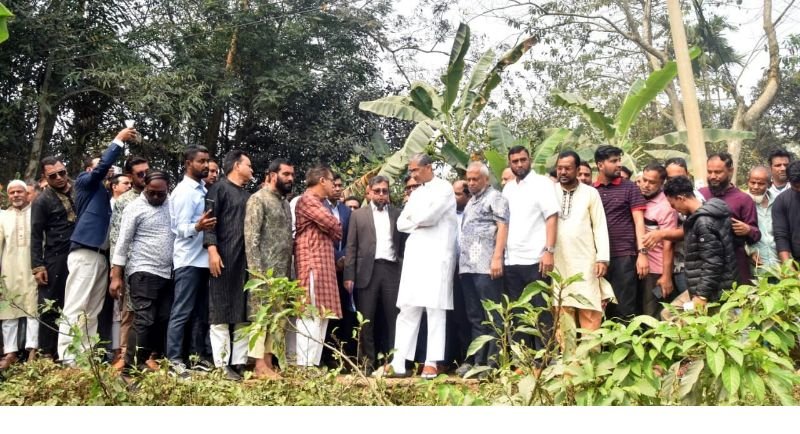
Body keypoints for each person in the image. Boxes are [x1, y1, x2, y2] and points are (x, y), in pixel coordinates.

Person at [377, 154, 457, 379]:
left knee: (434, 308)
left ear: (428, 167)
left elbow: (431, 218)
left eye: (414, 170)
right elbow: (402, 223)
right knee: (408, 308)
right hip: (415, 256)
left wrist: (417, 220)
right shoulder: (417, 193)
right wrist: (417, 221)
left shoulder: (444, 188)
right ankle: (399, 361)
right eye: (410, 171)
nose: (411, 175)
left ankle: (431, 361)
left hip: (438, 253)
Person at [57, 127, 134, 364]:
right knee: (76, 304)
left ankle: (85, 356)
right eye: (100, 165)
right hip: (85, 252)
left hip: (102, 256)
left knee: (92, 309)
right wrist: (118, 142)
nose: (107, 168)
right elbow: (101, 169)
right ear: (89, 170)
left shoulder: (105, 196)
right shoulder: (84, 184)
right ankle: (67, 357)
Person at [109, 171, 174, 373]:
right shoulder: (134, 208)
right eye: (151, 192)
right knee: (144, 318)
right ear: (145, 188)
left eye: (160, 194)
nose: (155, 197)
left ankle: (143, 359)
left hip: (166, 272)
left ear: (167, 190)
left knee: (162, 318)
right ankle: (129, 366)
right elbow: (122, 242)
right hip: (142, 270)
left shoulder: (172, 204)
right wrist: (116, 275)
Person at [343, 175, 404, 374]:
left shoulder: (398, 214)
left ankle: (394, 362)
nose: (380, 194)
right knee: (365, 320)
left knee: (394, 319)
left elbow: (403, 245)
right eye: (377, 191)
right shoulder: (358, 215)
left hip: (392, 271)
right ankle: (366, 364)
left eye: (384, 191)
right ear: (368, 192)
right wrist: (348, 275)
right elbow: (351, 247)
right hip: (365, 272)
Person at [503, 145, 559, 352]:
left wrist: (549, 251)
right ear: (510, 163)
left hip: (536, 259)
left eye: (523, 160)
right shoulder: (508, 188)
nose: (519, 164)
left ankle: (545, 358)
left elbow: (551, 217)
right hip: (512, 260)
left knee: (540, 310)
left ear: (530, 159)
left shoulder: (542, 183)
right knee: (519, 311)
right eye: (515, 161)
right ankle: (524, 358)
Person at [167, 145, 217, 378]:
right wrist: (198, 226)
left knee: (200, 313)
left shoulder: (203, 189)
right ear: (188, 163)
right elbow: (177, 228)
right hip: (188, 260)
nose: (206, 165)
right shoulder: (184, 191)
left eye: (207, 161)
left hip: (203, 260)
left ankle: (196, 358)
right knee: (182, 312)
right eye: (201, 161)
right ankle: (174, 360)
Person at [204, 150, 253, 381]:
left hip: (245, 261)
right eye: (249, 165)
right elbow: (209, 222)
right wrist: (212, 250)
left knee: (243, 311)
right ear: (236, 165)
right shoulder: (219, 188)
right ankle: (221, 364)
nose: (251, 170)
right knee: (220, 310)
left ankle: (240, 362)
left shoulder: (248, 195)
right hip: (222, 257)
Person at [244, 159, 295, 379]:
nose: (290, 178)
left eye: (292, 174)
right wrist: (257, 274)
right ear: (272, 175)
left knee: (277, 319)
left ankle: (268, 361)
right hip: (262, 273)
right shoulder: (258, 199)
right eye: (285, 174)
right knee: (260, 317)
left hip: (282, 273)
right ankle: (258, 365)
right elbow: (251, 239)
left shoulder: (284, 203)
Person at [457, 162, 508, 377]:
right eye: (468, 179)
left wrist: (497, 257)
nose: (471, 183)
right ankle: (477, 361)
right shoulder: (471, 202)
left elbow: (503, 226)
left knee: (493, 315)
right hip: (468, 267)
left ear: (486, 179)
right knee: (475, 316)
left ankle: (492, 363)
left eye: (475, 179)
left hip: (486, 266)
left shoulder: (495, 197)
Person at [552, 151, 612, 334]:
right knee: (563, 309)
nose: (563, 172)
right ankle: (567, 359)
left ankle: (590, 358)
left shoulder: (590, 193)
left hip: (586, 260)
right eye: (559, 168)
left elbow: (600, 227)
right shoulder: (549, 192)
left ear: (577, 170)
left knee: (590, 309)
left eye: (567, 168)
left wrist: (602, 258)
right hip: (558, 260)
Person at [662, 176, 737, 314]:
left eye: (673, 204)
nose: (675, 209)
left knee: (672, 315)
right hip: (712, 285)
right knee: (668, 313)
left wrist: (702, 296)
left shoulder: (703, 222)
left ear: (681, 198)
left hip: (714, 291)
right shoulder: (710, 213)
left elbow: (712, 263)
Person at [293, 165, 343, 367]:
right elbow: (334, 226)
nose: (334, 185)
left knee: (323, 317)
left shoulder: (322, 204)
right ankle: (304, 365)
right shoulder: (307, 200)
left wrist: (330, 226)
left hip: (324, 267)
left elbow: (337, 230)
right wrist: (330, 226)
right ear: (322, 180)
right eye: (332, 181)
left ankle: (312, 365)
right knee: (309, 314)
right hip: (311, 265)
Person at [593, 145, 647, 320]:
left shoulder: (630, 188)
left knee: (625, 308)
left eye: (619, 160)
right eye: (613, 161)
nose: (619, 164)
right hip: (598, 258)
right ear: (600, 165)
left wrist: (642, 253)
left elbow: (639, 222)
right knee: (601, 308)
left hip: (624, 256)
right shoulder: (591, 191)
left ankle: (626, 346)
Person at [30, 157, 75, 359]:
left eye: (62, 173)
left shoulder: (79, 189)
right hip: (55, 257)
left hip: (80, 253)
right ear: (45, 178)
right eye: (53, 175)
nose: (59, 178)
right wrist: (38, 266)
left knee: (74, 303)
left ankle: (71, 352)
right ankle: (47, 353)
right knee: (50, 304)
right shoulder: (42, 200)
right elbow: (36, 234)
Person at [108, 155, 150, 369]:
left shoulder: (159, 195)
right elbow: (115, 238)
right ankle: (124, 355)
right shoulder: (125, 201)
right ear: (130, 177)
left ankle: (145, 356)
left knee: (148, 312)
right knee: (129, 311)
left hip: (153, 266)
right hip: (130, 266)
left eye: (147, 171)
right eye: (140, 174)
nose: (145, 176)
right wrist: (116, 272)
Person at [699, 152, 756, 284]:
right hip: (706, 265)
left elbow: (756, 233)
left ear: (730, 171)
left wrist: (747, 229)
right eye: (709, 171)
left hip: (736, 263)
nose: (713, 176)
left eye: (718, 172)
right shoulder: (700, 194)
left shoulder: (743, 199)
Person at [0, 180, 39, 369]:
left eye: (19, 192)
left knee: (33, 309)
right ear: (8, 196)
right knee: (8, 311)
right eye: (12, 192)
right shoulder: (2, 216)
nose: (16, 195)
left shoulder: (37, 212)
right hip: (9, 270)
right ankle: (10, 352)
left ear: (26, 193)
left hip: (33, 269)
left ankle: (33, 350)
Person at [637, 163, 678, 318]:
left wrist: (666, 276)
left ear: (662, 183)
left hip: (656, 270)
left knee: (652, 313)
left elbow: (669, 243)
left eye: (652, 182)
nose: (646, 185)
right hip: (640, 266)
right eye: (644, 180)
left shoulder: (666, 206)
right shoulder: (637, 198)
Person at [323, 172, 354, 363]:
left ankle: (339, 357)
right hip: (326, 266)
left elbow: (351, 239)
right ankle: (324, 357)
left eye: (339, 185)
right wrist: (334, 258)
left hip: (344, 267)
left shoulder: (347, 212)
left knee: (342, 311)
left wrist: (343, 259)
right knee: (326, 313)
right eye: (333, 184)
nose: (337, 188)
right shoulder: (319, 207)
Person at [745, 166, 779, 274]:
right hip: (755, 268)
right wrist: (749, 252)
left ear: (769, 184)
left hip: (780, 266)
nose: (755, 187)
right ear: (748, 182)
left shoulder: (778, 202)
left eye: (761, 184)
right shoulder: (741, 204)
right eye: (752, 182)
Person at [772, 160, 800, 263]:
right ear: (789, 182)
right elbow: (781, 235)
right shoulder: (781, 201)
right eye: (796, 187)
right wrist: (788, 268)